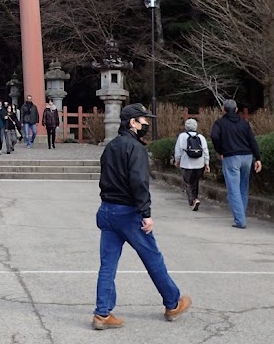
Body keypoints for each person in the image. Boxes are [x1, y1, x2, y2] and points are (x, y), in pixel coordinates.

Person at [94, 103, 191, 329]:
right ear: (133, 123)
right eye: (143, 120)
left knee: (108, 264)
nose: (147, 123)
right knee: (152, 258)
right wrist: (146, 213)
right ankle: (173, 303)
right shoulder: (135, 148)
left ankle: (102, 313)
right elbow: (139, 182)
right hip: (128, 212)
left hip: (107, 209)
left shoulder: (111, 147)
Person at [209, 99, 262, 229]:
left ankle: (240, 220)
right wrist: (258, 158)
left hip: (231, 156)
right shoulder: (244, 123)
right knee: (243, 187)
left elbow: (214, 136)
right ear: (236, 109)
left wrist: (220, 150)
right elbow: (252, 140)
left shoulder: (220, 123)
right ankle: (241, 215)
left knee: (233, 189)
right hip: (247, 156)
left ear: (223, 110)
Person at [173, 117, 210, 211]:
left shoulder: (182, 136)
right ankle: (195, 198)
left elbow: (178, 150)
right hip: (199, 164)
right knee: (195, 183)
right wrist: (207, 164)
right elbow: (205, 151)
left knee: (188, 183)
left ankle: (193, 200)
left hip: (187, 164)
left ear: (186, 127)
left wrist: (177, 160)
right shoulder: (201, 137)